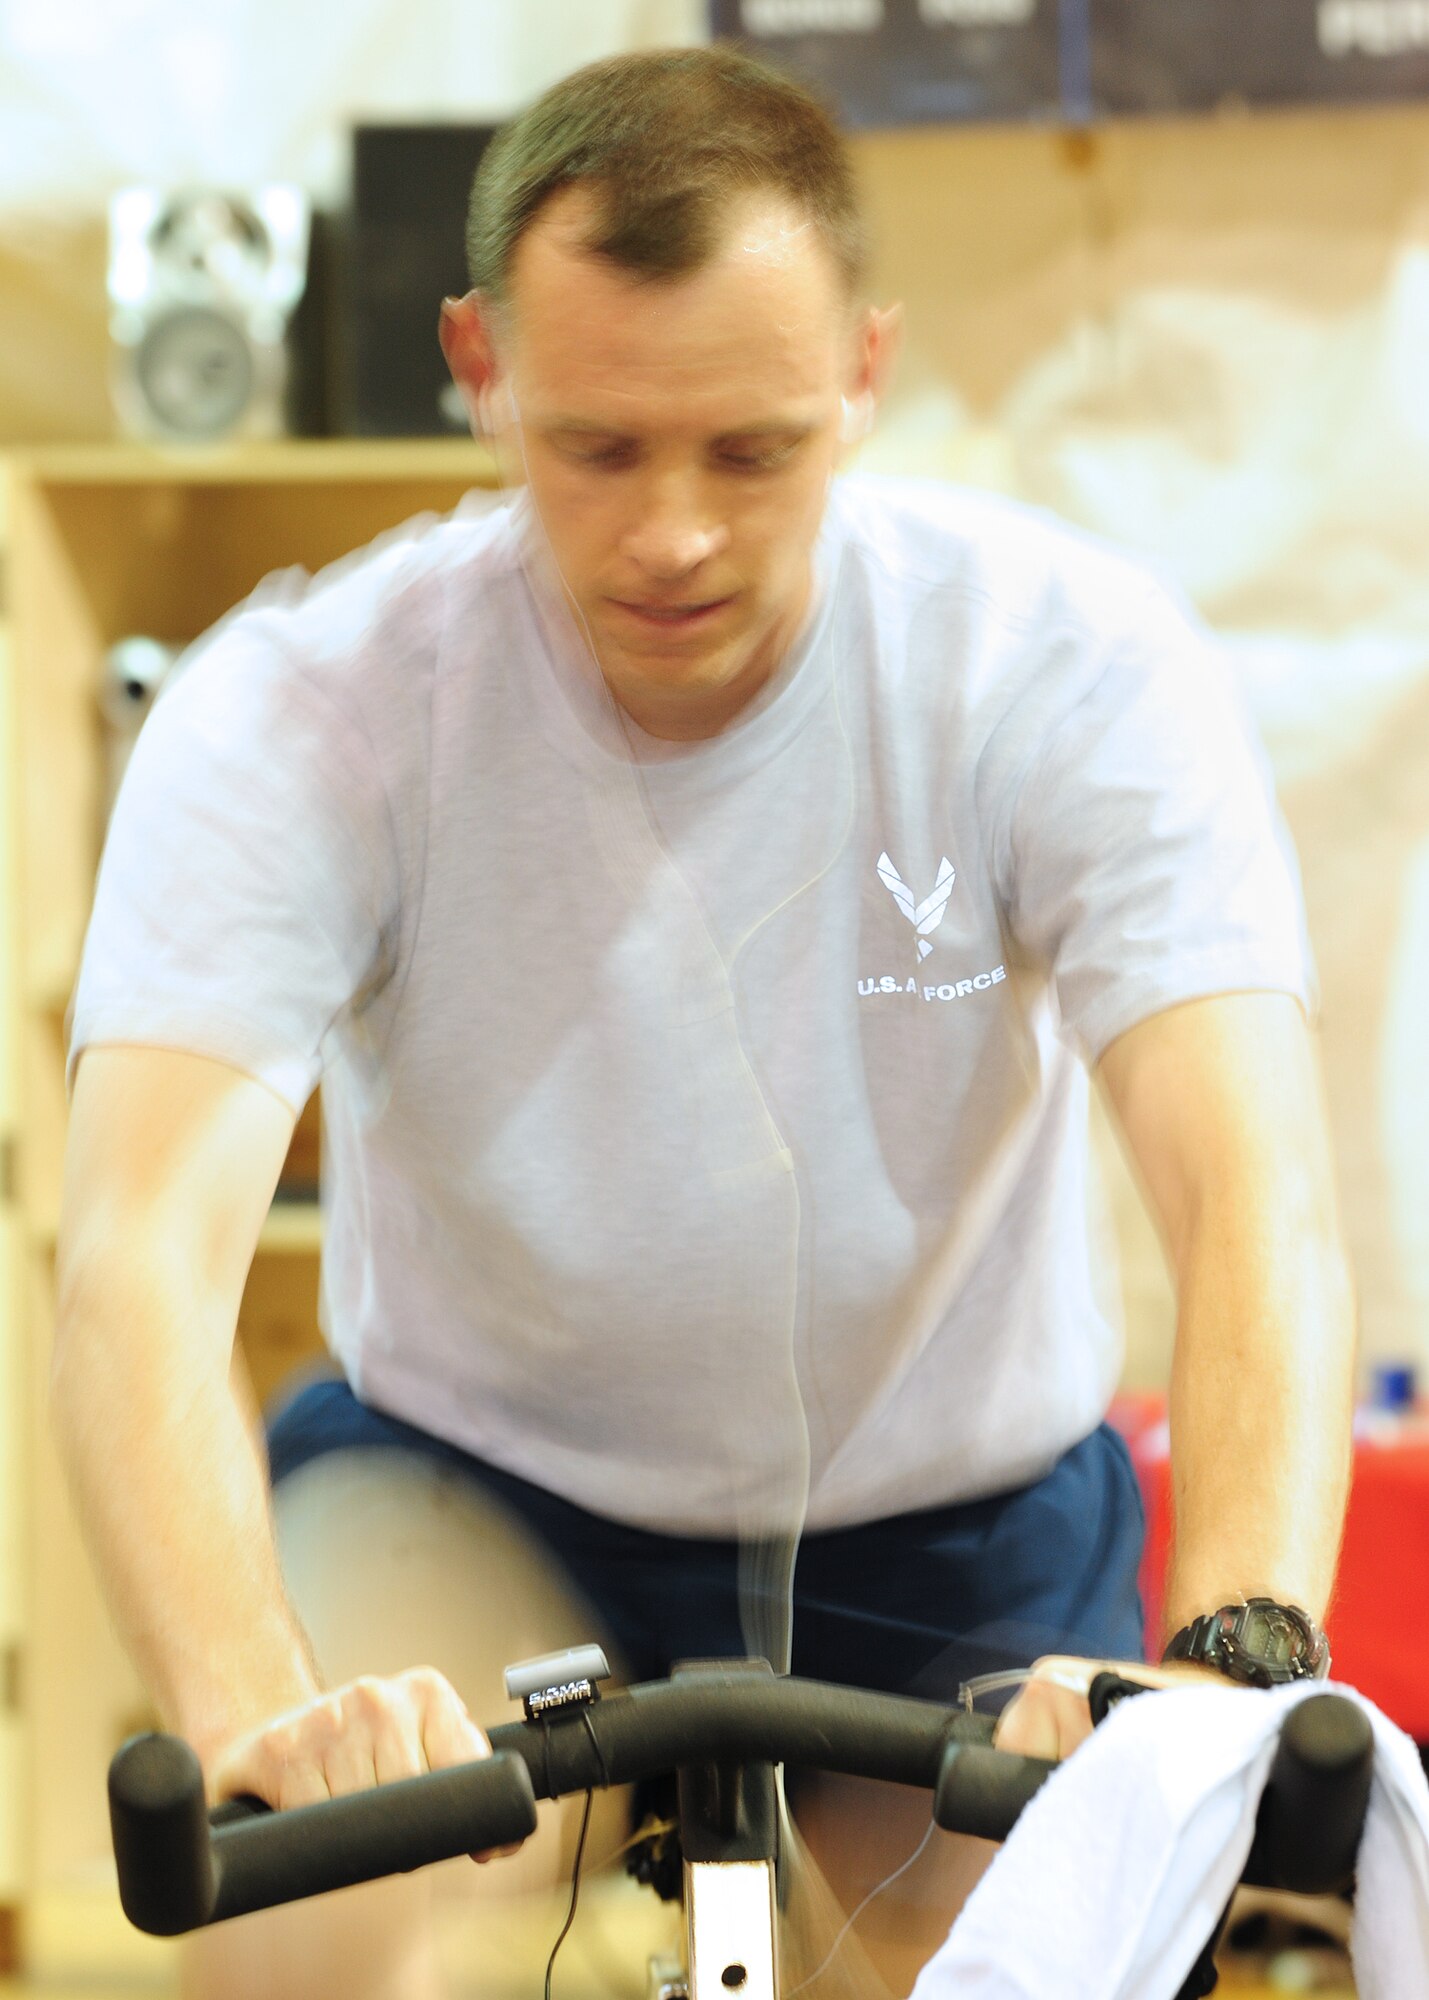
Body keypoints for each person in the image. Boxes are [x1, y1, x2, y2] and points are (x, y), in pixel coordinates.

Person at [53, 41, 1356, 2000]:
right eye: (596, 446)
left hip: (956, 1534)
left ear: (861, 372)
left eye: (748, 450)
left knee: (1038, 1958)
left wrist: (1228, 1656)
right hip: (476, 1491)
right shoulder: (309, 710)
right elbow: (140, 1254)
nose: (671, 532)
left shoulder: (1059, 665)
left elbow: (1251, 1186)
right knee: (305, 1916)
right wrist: (253, 1709)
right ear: (478, 364)